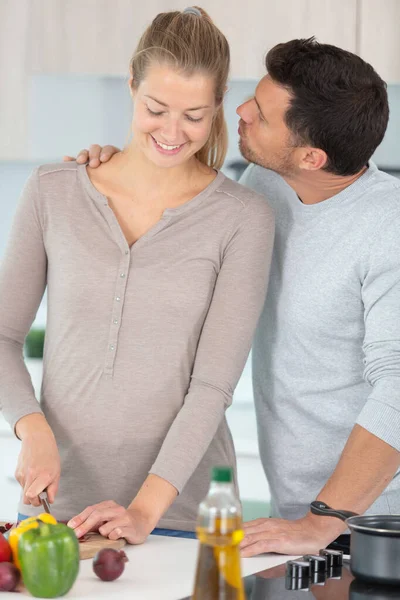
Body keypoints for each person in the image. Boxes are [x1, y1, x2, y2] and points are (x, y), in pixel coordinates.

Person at [79, 37, 400, 555]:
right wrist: (117, 168)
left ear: (312, 157)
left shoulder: (389, 229)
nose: (243, 112)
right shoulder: (267, 184)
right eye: (255, 95)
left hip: (379, 527)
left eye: (263, 116)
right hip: (299, 517)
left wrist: (326, 519)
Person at [0, 6, 274, 543]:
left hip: (182, 519)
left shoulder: (243, 218)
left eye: (194, 115)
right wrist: (29, 427)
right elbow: (3, 335)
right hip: (57, 511)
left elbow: (213, 384)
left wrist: (144, 510)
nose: (173, 132)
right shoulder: (54, 190)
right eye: (156, 108)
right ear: (131, 86)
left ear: (218, 104)